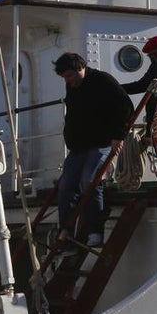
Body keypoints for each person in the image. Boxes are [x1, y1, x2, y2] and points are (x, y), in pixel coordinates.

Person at [54, 52, 134, 248]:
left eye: (70, 76)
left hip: (101, 143)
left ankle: (95, 231)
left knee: (89, 182)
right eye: (64, 77)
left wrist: (118, 136)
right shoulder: (72, 86)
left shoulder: (103, 81)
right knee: (65, 187)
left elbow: (126, 107)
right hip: (78, 147)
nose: (67, 80)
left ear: (81, 68)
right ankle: (66, 233)